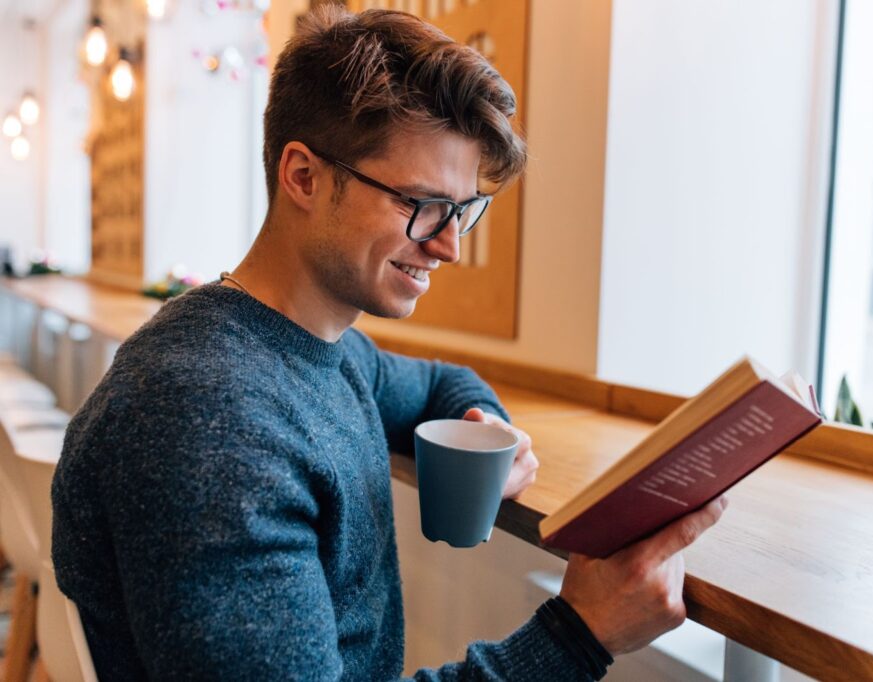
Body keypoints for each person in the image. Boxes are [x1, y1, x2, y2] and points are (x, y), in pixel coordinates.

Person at [52, 6, 726, 680]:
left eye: (460, 210)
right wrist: (578, 634)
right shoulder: (208, 421)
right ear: (303, 177)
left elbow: (438, 384)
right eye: (423, 205)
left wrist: (487, 428)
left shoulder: (322, 347)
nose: (448, 246)